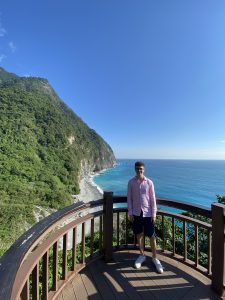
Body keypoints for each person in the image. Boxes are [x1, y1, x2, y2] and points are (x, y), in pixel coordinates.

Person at [127, 161, 163, 273]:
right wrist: (130, 212)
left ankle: (155, 258)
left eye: (141, 169)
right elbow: (129, 198)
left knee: (152, 236)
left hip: (148, 213)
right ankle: (142, 255)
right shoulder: (131, 182)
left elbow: (153, 199)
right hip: (136, 213)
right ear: (135, 169)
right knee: (139, 235)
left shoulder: (149, 183)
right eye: (137, 168)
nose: (139, 170)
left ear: (144, 169)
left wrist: (154, 214)